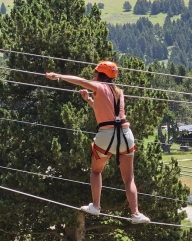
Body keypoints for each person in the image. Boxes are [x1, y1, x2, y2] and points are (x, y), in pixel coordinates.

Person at [45, 61, 150, 224]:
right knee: (129, 178)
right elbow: (108, 112)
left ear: (101, 75)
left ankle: (96, 206)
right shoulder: (119, 92)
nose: (93, 75)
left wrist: (58, 76)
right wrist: (89, 100)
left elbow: (79, 81)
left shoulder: (99, 86)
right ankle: (136, 214)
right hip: (125, 135)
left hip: (106, 135)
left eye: (95, 73)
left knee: (96, 171)